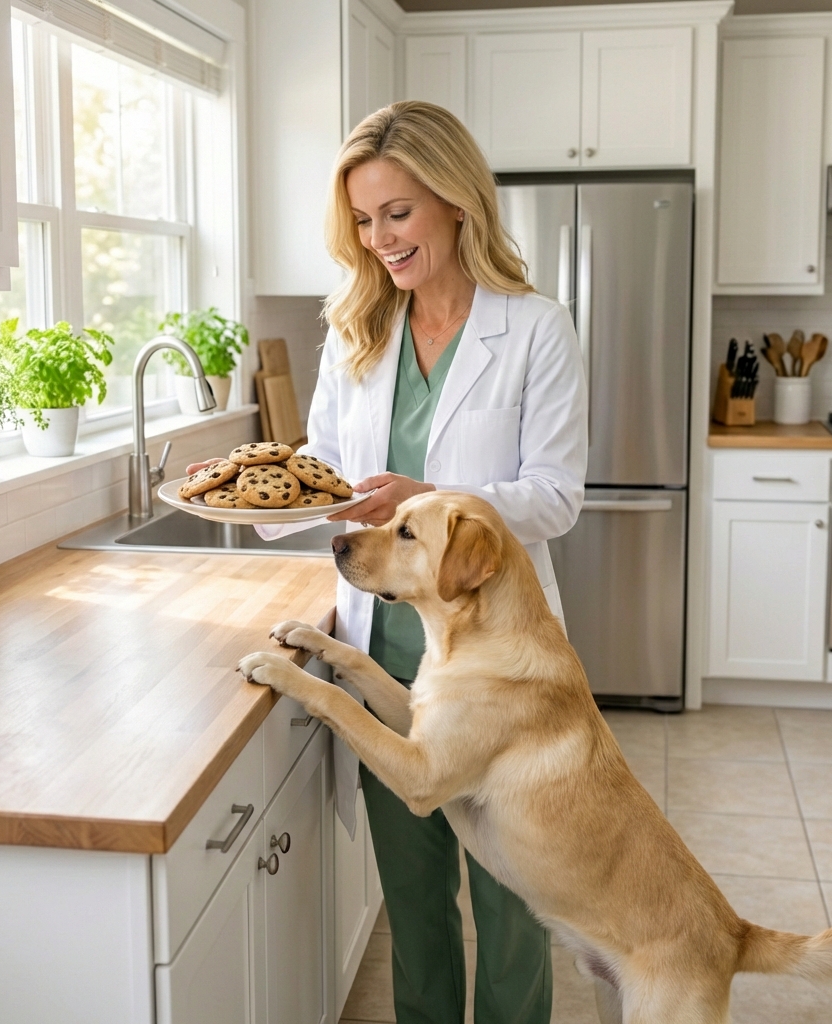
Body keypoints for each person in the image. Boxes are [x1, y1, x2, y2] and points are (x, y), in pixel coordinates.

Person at [193, 101, 587, 1024]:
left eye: (397, 214)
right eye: (364, 221)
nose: (379, 241)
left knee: (513, 911)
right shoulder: (355, 334)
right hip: (386, 662)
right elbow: (328, 485)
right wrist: (261, 498)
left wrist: (432, 495)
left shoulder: (534, 330)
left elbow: (558, 497)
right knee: (413, 908)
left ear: (456, 202)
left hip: (497, 667)